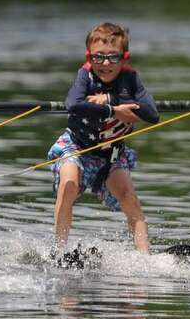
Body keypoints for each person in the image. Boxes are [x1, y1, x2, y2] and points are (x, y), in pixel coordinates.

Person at [48, 22, 159, 255]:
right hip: (76, 146)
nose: (105, 64)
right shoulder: (84, 76)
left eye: (113, 57)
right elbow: (73, 105)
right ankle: (58, 253)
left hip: (112, 154)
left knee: (129, 198)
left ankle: (145, 258)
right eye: (98, 58)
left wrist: (110, 100)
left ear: (124, 57)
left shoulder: (131, 79)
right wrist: (114, 111)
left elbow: (152, 114)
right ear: (89, 57)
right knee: (68, 185)